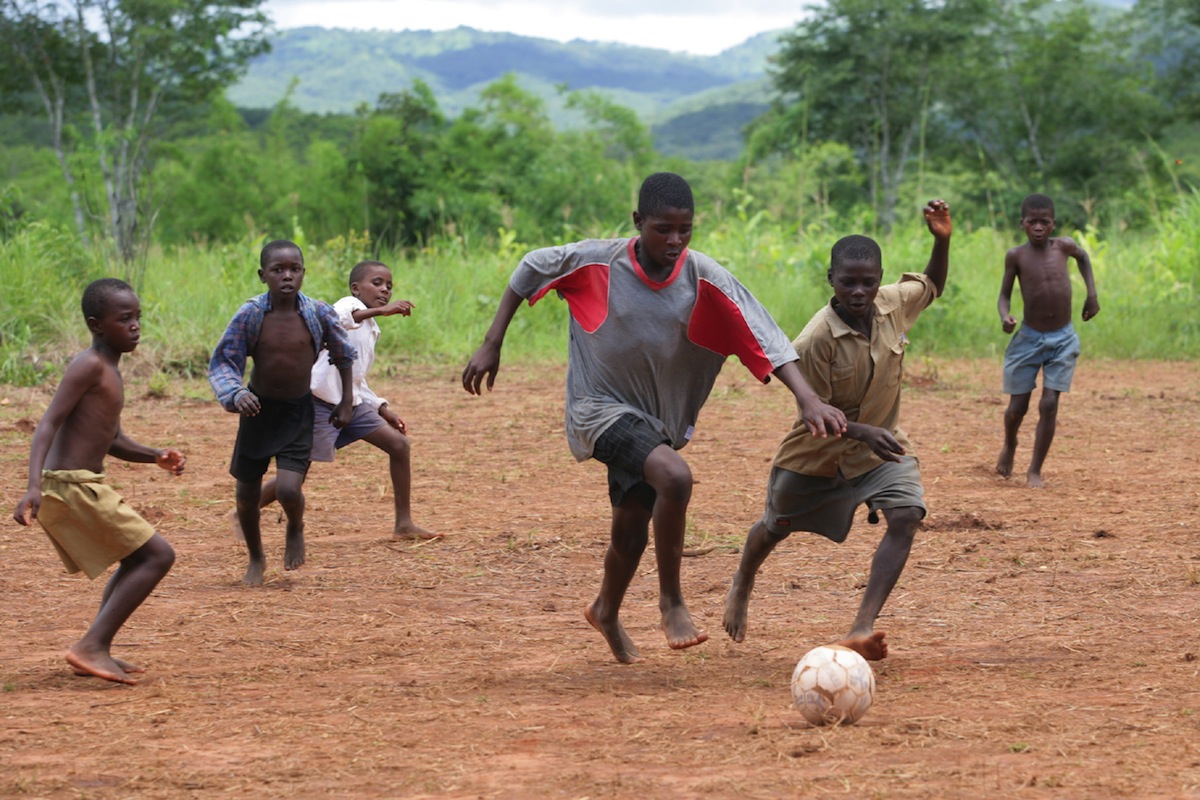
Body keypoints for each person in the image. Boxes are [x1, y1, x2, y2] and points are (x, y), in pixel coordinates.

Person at [462, 172, 846, 664]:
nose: (675, 240)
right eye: (663, 229)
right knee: (674, 476)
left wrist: (807, 399)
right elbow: (528, 268)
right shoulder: (595, 261)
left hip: (653, 423)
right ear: (638, 222)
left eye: (685, 230)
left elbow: (764, 332)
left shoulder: (704, 275)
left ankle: (605, 609)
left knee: (630, 532)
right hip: (595, 410)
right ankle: (672, 601)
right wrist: (493, 342)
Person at [723, 200, 953, 662]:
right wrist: (864, 431)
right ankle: (742, 580)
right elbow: (818, 415)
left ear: (880, 277)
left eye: (869, 281)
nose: (859, 291)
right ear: (831, 279)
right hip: (816, 455)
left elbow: (931, 287)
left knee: (907, 514)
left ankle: (862, 625)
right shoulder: (814, 341)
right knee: (774, 527)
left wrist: (941, 241)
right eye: (848, 281)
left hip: (880, 450)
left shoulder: (893, 303)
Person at [12, 278, 185, 685]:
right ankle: (92, 645)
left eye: (138, 317)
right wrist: (33, 485)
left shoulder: (110, 370)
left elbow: (113, 440)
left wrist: (154, 456)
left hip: (85, 483)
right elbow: (48, 423)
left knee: (136, 558)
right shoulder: (88, 365)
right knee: (157, 555)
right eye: (124, 319)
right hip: (71, 485)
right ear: (96, 325)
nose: (135, 326)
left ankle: (97, 645)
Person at [241, 260, 438, 541]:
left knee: (399, 445)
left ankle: (403, 524)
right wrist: (382, 311)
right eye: (377, 283)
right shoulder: (347, 306)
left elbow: (356, 379)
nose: (385, 290)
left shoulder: (370, 328)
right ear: (356, 288)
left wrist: (383, 409)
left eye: (389, 287)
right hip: (319, 404)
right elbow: (338, 317)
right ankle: (246, 508)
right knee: (297, 472)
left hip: (352, 404)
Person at [209, 239, 356, 586]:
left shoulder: (318, 313)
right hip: (258, 412)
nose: (287, 276)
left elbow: (343, 354)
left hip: (297, 412)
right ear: (263, 276)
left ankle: (295, 525)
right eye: (278, 270)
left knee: (289, 490)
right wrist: (236, 393)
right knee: (246, 496)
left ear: (304, 273)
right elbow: (224, 362)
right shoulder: (251, 314)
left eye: (294, 269)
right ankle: (256, 558)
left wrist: (346, 400)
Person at [995, 193, 1100, 488]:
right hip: (1028, 338)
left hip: (1063, 337)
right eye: (1032, 222)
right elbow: (1004, 295)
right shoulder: (1016, 256)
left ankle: (1035, 470)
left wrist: (1092, 294)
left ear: (1053, 224)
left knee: (1050, 404)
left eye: (1044, 222)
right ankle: (1010, 444)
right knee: (1017, 408)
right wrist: (1005, 316)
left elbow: (1084, 257)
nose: (1038, 227)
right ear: (1022, 224)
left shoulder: (1064, 247)